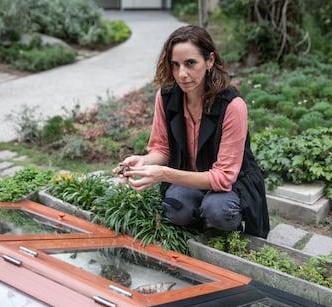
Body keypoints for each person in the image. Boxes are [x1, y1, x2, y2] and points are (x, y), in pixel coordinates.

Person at [113, 25, 270, 238]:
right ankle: (199, 216)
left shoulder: (232, 106)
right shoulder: (167, 97)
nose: (182, 74)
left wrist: (163, 174)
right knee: (174, 209)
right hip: (190, 176)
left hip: (231, 185)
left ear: (210, 61)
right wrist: (144, 162)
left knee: (218, 210)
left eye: (190, 63)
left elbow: (223, 178)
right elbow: (162, 148)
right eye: (175, 65)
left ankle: (225, 224)